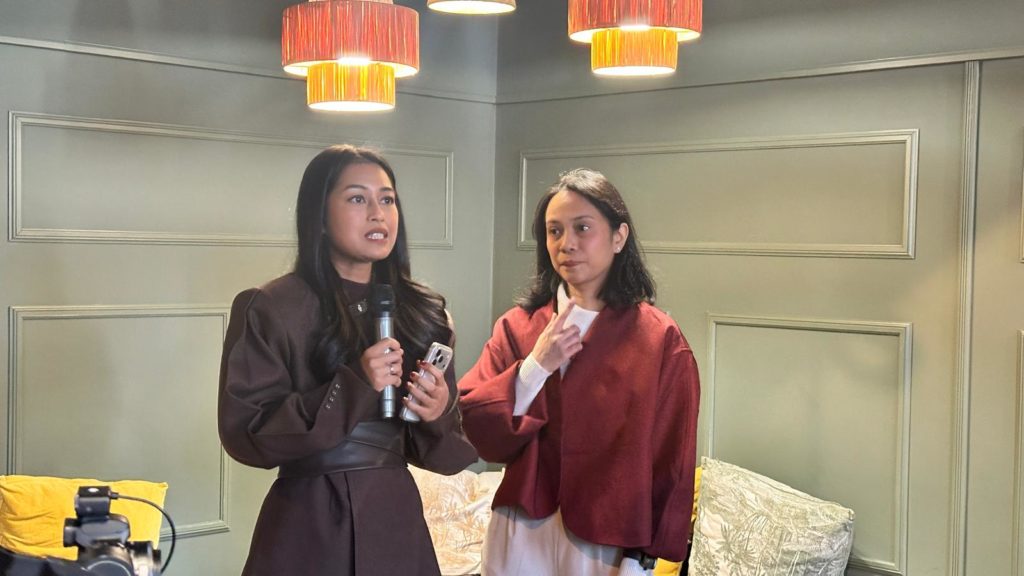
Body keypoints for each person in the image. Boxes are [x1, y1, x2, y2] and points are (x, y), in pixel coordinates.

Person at [218, 145, 478, 576]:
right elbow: (246, 435)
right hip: (308, 524)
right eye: (358, 198)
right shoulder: (271, 306)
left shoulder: (425, 313)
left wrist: (436, 414)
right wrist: (354, 384)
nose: (378, 214)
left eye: (387, 200)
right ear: (319, 216)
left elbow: (448, 458)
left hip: (396, 521)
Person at [458, 169, 700, 576]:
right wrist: (536, 366)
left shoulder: (659, 339)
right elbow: (478, 426)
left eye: (582, 228)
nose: (566, 243)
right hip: (521, 533)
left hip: (610, 543)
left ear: (619, 237)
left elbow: (672, 457)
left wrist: (645, 554)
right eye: (554, 231)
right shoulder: (517, 327)